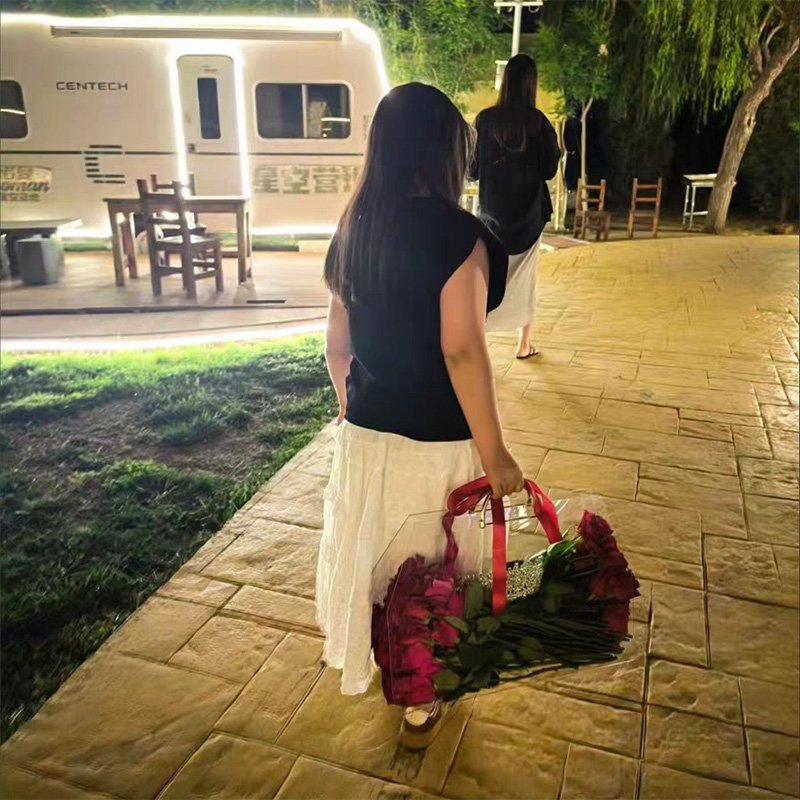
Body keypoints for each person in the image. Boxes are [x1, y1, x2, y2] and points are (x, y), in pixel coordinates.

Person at [318, 82, 524, 748]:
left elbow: (336, 346)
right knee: (428, 572)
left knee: (379, 567)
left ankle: (390, 665)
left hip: (367, 435)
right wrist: (494, 455)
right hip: (433, 442)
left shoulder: (353, 229)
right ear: (446, 152)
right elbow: (461, 349)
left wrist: (356, 413)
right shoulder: (460, 237)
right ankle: (420, 696)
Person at [471, 53, 560, 359]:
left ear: (505, 81)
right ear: (531, 84)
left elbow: (472, 169)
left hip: (490, 220)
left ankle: (478, 339)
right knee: (526, 279)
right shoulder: (538, 123)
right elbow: (550, 168)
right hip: (529, 218)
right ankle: (523, 345)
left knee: (484, 279)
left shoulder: (484, 120)